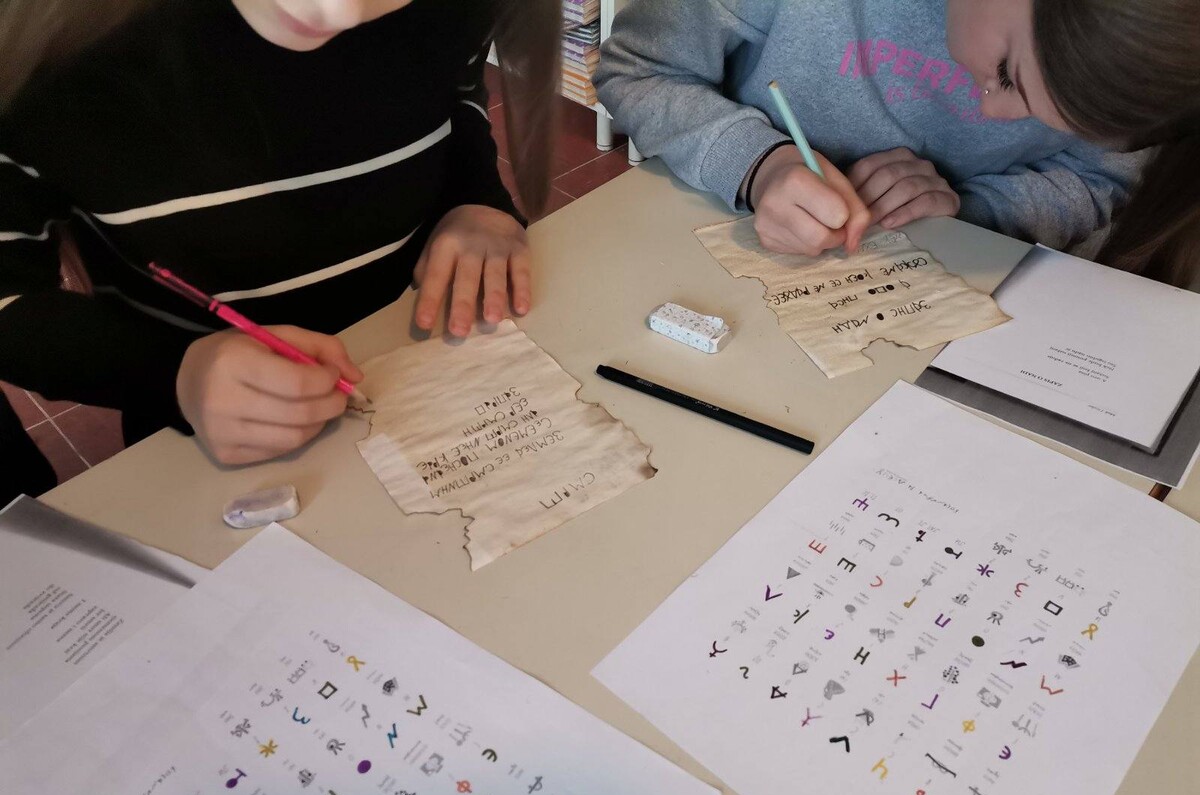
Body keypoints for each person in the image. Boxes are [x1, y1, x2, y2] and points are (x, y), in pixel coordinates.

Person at [0, 0, 560, 467]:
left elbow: (458, 91)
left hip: (417, 369)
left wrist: (476, 197)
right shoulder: (41, 65)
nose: (337, 12)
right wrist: (176, 373)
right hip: (203, 444)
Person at [596, 0, 1200, 287]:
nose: (991, 112)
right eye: (1007, 74)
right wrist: (756, 164)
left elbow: (1101, 179)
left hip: (935, 295)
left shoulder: (1154, 67)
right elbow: (636, 69)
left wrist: (975, 208)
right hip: (716, 266)